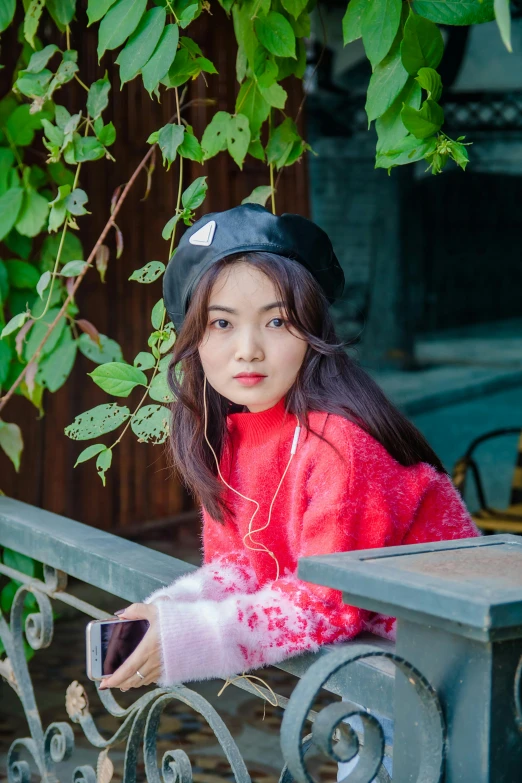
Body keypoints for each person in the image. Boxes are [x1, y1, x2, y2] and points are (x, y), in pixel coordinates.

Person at [99, 204, 478, 773]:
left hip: (455, 681)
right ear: (194, 339)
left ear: (312, 330)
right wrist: (165, 611)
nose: (247, 348)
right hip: (375, 676)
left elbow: (324, 608)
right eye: (222, 323)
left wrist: (186, 641)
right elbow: (244, 563)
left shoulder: (342, 444)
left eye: (276, 322)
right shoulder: (230, 431)